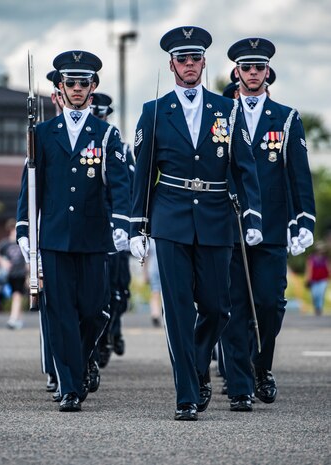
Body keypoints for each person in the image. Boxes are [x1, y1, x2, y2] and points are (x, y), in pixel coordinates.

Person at [130, 26, 263, 421]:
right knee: (177, 311)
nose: (189, 65)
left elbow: (244, 165)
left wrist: (252, 214)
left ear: (205, 63)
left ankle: (198, 363)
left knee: (218, 306)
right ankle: (186, 394)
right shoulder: (153, 112)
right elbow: (143, 172)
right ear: (172, 64)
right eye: (182, 59)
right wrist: (138, 223)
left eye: (195, 59)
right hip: (169, 217)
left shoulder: (228, 110)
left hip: (216, 216)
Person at [16, 50, 131, 412]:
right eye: (71, 83)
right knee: (58, 312)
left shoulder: (105, 133)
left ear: (93, 87)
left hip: (93, 236)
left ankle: (81, 365)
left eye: (84, 82)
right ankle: (69, 385)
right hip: (53, 235)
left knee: (96, 309)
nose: (77, 88)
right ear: (60, 88)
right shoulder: (42, 133)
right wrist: (24, 228)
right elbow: (30, 186)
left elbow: (120, 185)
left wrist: (123, 224)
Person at [221, 37, 316, 412]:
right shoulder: (222, 114)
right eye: (247, 68)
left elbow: (299, 174)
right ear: (237, 72)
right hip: (230, 226)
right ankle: (241, 384)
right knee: (234, 306)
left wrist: (303, 219)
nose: (253, 73)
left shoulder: (287, 118)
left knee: (270, 304)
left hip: (274, 227)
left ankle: (261, 366)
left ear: (267, 72)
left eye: (259, 67)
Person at [89, 92, 135, 369]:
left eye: (102, 115)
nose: (98, 119)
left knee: (119, 289)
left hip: (114, 228)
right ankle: (100, 341)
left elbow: (126, 187)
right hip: (91, 224)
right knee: (98, 291)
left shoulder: (120, 147)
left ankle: (113, 331)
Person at [0, 218, 27, 329]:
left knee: (17, 294)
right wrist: (3, 262)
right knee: (16, 296)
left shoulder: (23, 242)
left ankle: (13, 318)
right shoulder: (5, 244)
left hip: (21, 273)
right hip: (9, 274)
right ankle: (18, 319)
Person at [305, 241, 330, 316]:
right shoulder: (311, 258)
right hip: (314, 280)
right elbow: (309, 268)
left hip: (323, 279)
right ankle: (316, 307)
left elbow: (328, 268)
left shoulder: (325, 258)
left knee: (321, 294)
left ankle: (319, 308)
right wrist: (307, 278)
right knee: (315, 295)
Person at [144, 238, 162, 327]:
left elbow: (146, 257)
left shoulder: (150, 239)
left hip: (153, 269)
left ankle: (155, 314)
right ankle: (156, 314)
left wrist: (145, 273)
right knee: (157, 293)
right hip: (160, 270)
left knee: (155, 293)